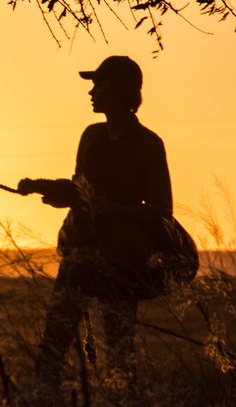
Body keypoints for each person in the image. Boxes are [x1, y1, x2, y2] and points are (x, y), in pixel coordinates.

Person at [18, 55, 173, 389]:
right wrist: (41, 186)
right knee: (54, 342)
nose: (92, 92)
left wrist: (112, 210)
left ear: (119, 90)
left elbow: (161, 210)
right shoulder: (90, 136)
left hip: (121, 261)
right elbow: (81, 190)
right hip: (80, 253)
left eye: (98, 85)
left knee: (118, 350)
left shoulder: (149, 145)